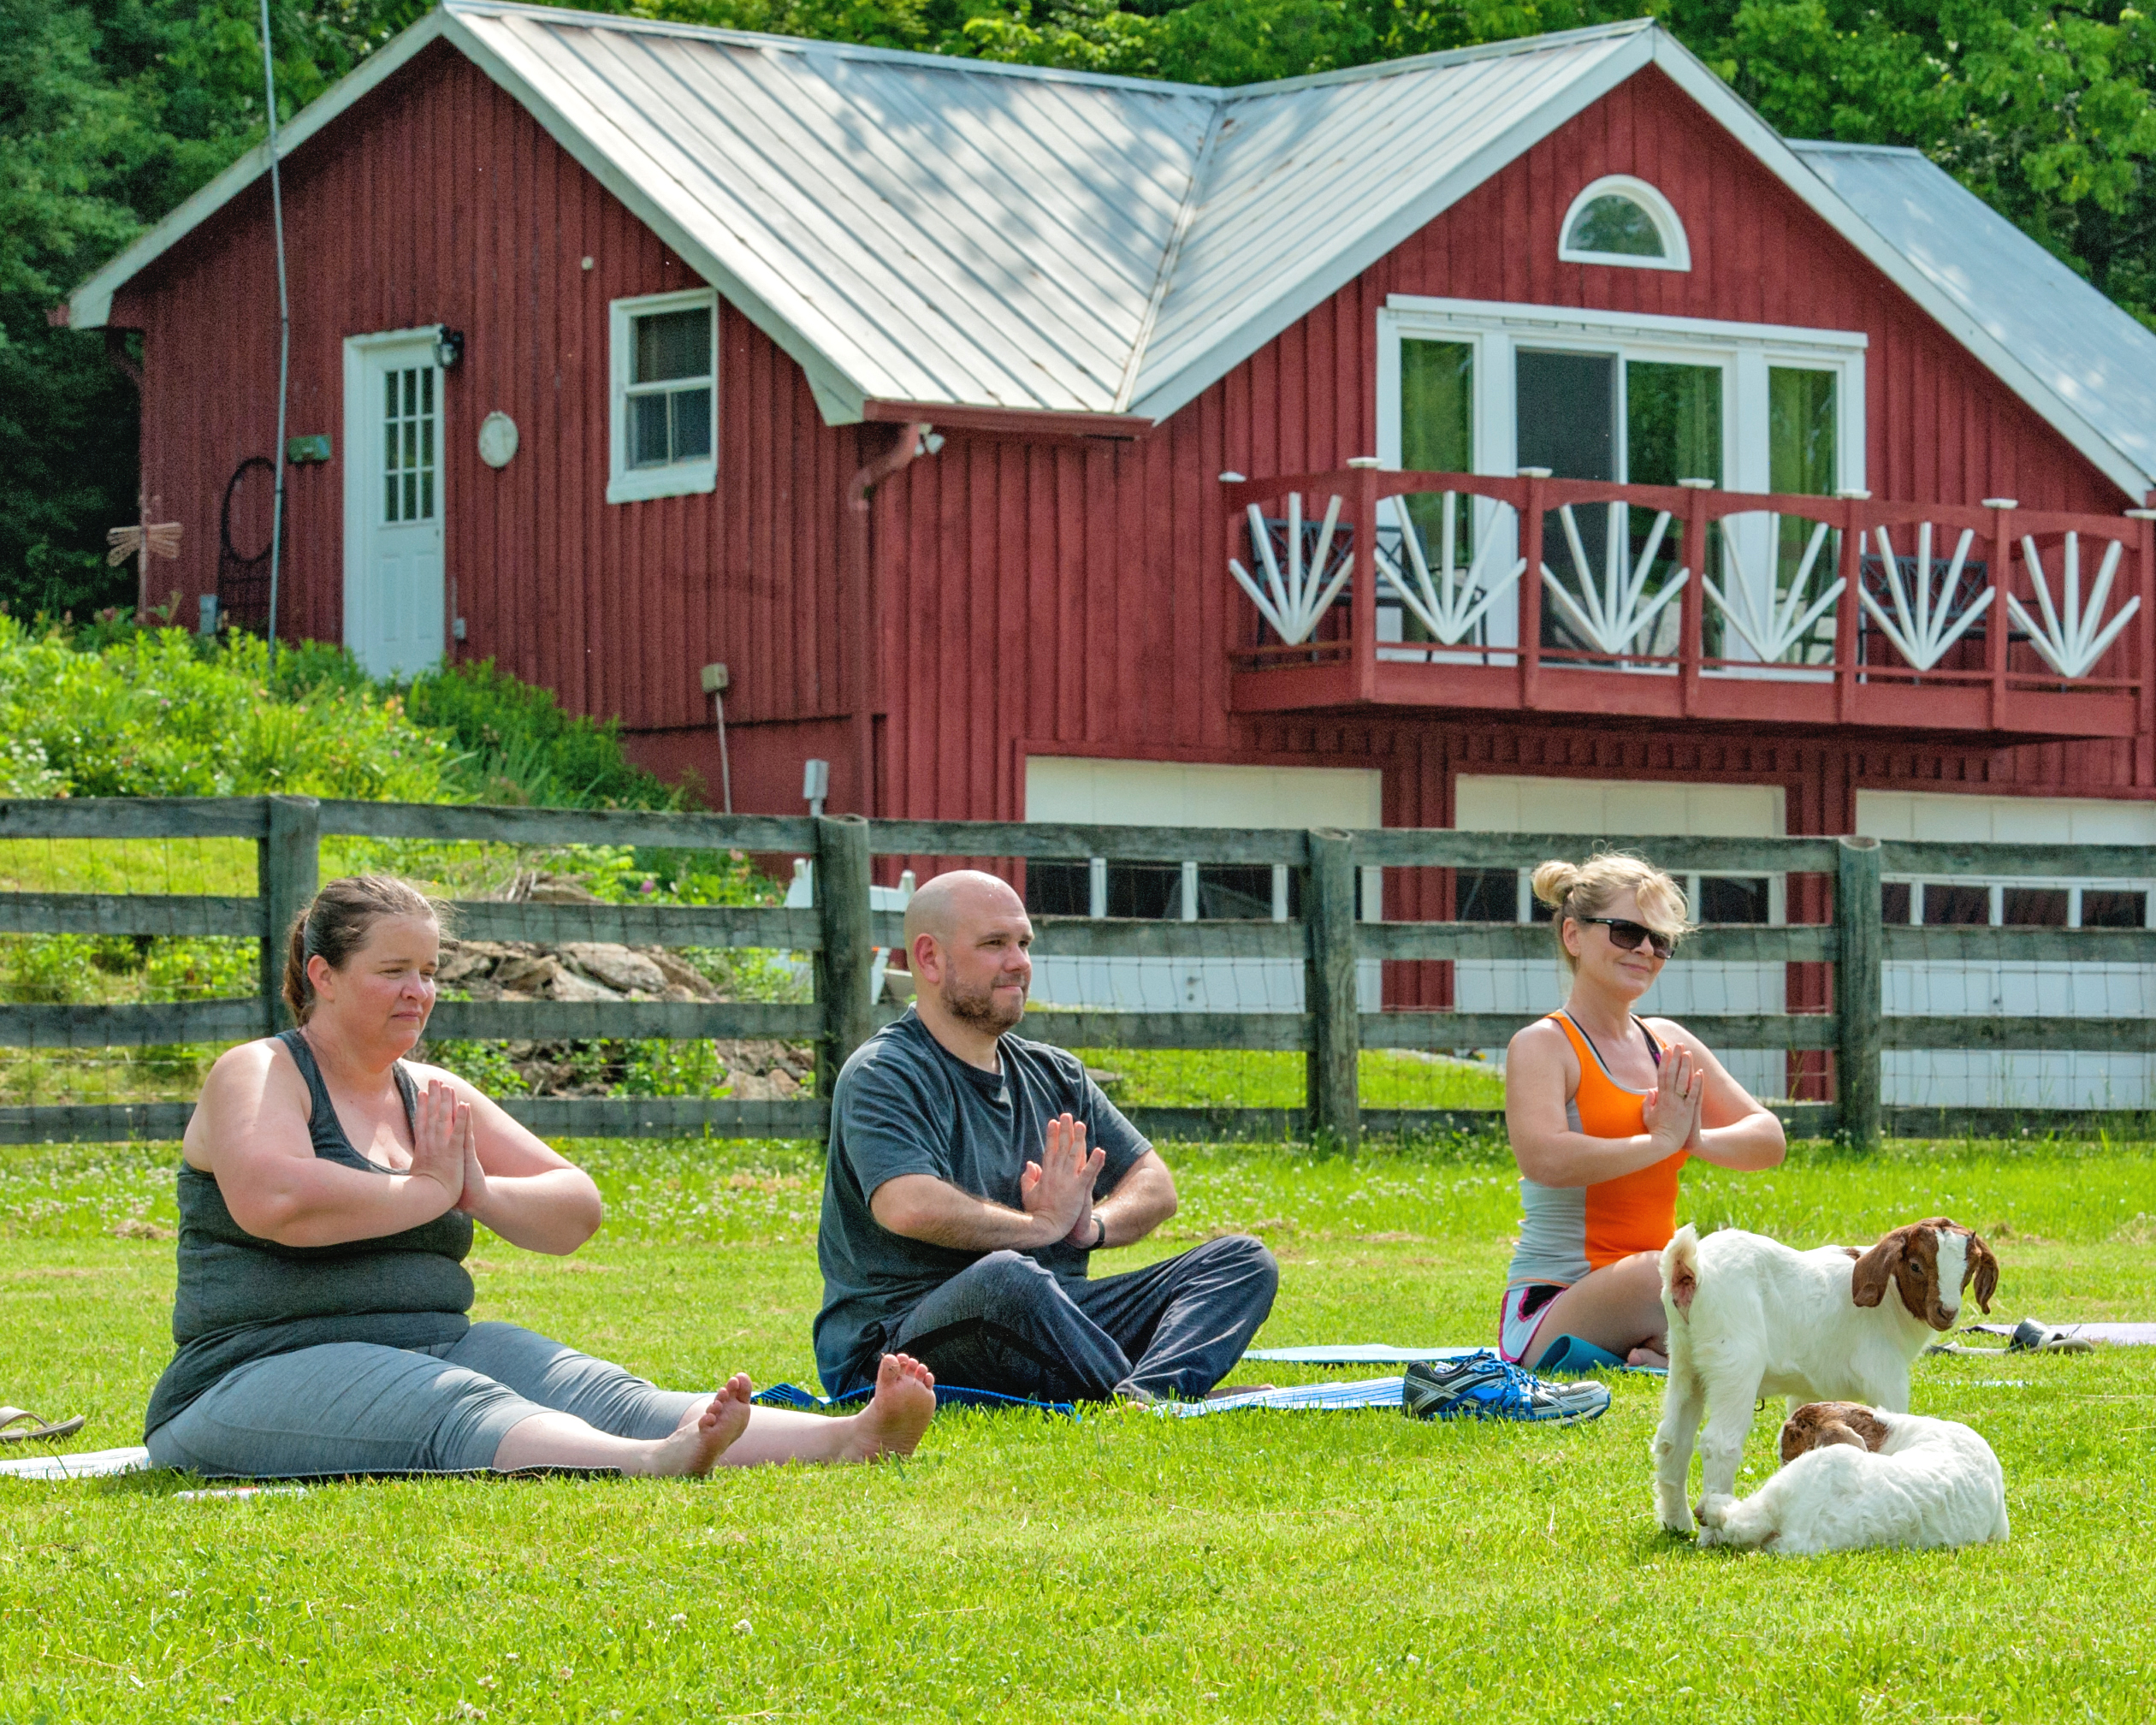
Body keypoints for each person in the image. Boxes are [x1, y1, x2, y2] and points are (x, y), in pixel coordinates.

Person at [145, 874, 937, 1479]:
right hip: (250, 1374)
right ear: (321, 974)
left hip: (437, 1341)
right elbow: (274, 1199)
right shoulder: (260, 1073)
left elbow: (575, 1208)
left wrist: (476, 1192)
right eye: (394, 971)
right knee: (460, 1408)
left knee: (604, 1393)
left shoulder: (433, 1093)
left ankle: (847, 1437)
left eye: (429, 971)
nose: (419, 992)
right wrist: (424, 1191)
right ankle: (647, 1466)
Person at [813, 869, 1278, 1404]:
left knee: (1241, 1261)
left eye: (1024, 943)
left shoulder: (1056, 1074)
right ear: (930, 959)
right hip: (898, 1343)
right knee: (1009, 1278)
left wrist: (1089, 1228)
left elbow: (1155, 1185)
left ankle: (1148, 1393)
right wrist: (1039, 1227)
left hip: (1052, 1314)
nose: (1019, 962)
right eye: (994, 944)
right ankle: (1157, 1395)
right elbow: (908, 1205)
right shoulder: (884, 1073)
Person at [1498, 854, 1786, 1371]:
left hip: (1658, 1284)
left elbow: (1768, 1140)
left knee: (1734, 1268)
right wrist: (1657, 1143)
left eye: (1661, 940)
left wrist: (1693, 1138)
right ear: (1573, 936)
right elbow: (1545, 1159)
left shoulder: (1668, 1043)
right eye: (1627, 932)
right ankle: (1673, 1349)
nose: (1647, 950)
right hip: (1552, 1306)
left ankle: (1659, 1353)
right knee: (1670, 1277)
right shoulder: (1543, 1044)